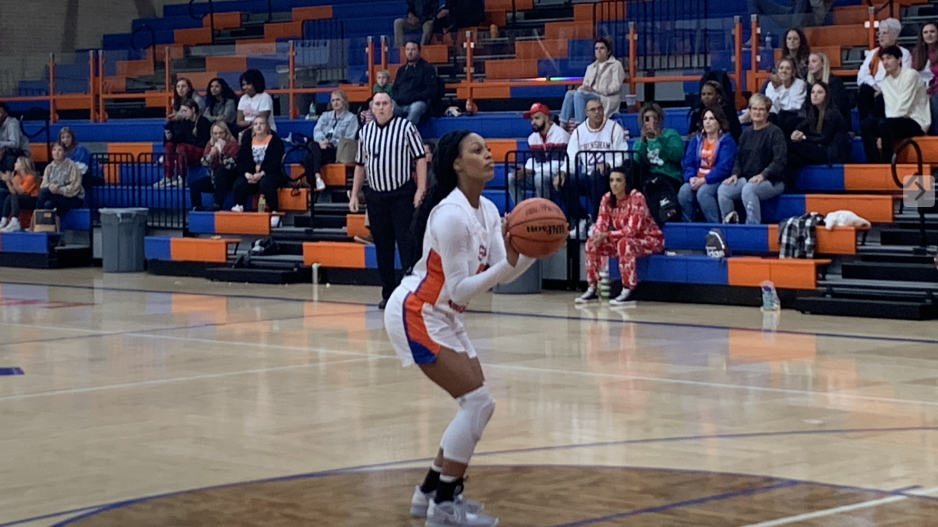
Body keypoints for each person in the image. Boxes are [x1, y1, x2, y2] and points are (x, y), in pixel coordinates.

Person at [384, 130, 536, 527]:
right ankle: (445, 505)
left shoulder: (487, 209)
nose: (488, 155)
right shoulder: (451, 216)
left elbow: (505, 273)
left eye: (488, 149)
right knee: (478, 403)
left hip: (445, 314)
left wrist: (532, 251)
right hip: (417, 311)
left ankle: (428, 494)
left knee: (478, 405)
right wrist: (509, 262)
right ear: (456, 164)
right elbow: (461, 288)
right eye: (477, 150)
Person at [349, 92, 428, 309]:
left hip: (402, 194)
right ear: (372, 108)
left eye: (385, 103)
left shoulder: (406, 127)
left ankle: (412, 292)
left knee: (406, 245)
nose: (381, 107)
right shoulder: (365, 132)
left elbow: (420, 158)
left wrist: (421, 188)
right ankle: (388, 293)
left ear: (392, 107)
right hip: (376, 196)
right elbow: (360, 165)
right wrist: (354, 194)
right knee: (382, 247)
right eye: (378, 104)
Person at [574, 167, 665, 305]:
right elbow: (601, 222)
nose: (614, 184)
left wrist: (607, 234)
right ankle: (593, 287)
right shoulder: (607, 198)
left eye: (618, 180)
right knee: (591, 243)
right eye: (611, 180)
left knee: (625, 243)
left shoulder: (637, 198)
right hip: (623, 239)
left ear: (626, 183)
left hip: (650, 240)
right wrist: (598, 235)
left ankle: (629, 289)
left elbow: (632, 230)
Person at [564, 98, 629, 237]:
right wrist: (563, 173)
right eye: (593, 110)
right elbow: (571, 158)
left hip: (609, 176)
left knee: (596, 176)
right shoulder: (578, 132)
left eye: (600, 108)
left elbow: (623, 155)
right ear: (586, 113)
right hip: (587, 175)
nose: (597, 112)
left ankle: (597, 221)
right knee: (566, 181)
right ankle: (582, 218)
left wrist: (609, 164)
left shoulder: (614, 128)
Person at [719, 94, 787, 225]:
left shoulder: (775, 132)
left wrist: (763, 175)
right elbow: (738, 158)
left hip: (773, 181)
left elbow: (780, 161)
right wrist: (735, 174)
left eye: (761, 109)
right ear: (749, 111)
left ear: (767, 113)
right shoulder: (746, 133)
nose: (757, 112)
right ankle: (729, 224)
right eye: (754, 109)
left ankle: (753, 226)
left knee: (748, 190)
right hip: (748, 178)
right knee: (724, 190)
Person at [860, 46, 931, 163]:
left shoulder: (911, 75)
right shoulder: (886, 82)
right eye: (883, 59)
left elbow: (903, 106)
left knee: (884, 124)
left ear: (899, 60)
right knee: (866, 125)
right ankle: (875, 163)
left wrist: (884, 128)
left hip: (915, 121)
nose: (885, 62)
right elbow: (890, 109)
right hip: (895, 121)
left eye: (888, 58)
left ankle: (887, 163)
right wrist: (883, 130)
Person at [679, 108, 737, 223]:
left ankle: (715, 225)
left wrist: (704, 180)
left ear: (719, 122)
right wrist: (691, 178)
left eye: (711, 119)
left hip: (717, 179)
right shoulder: (696, 141)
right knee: (684, 191)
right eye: (705, 119)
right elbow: (688, 163)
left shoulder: (727, 141)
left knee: (703, 193)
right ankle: (688, 225)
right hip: (697, 178)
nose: (707, 122)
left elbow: (724, 167)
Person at [508, 102, 569, 207]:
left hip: (560, 175)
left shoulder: (561, 135)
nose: (533, 122)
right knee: (511, 178)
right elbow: (536, 161)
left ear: (546, 118)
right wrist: (525, 170)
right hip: (541, 174)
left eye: (537, 118)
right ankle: (521, 210)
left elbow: (557, 165)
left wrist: (532, 171)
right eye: (532, 119)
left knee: (539, 178)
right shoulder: (532, 138)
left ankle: (544, 212)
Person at [233, 116, 288, 227]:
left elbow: (276, 163)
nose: (258, 126)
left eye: (261, 123)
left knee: (266, 183)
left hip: (273, 174)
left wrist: (262, 173)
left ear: (267, 126)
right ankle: (240, 206)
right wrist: (247, 174)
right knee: (239, 183)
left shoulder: (276, 142)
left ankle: (275, 212)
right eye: (256, 124)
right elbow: (241, 161)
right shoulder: (247, 141)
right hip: (253, 175)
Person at [559, 37, 626, 129]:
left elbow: (616, 87)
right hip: (590, 95)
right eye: (596, 48)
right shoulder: (591, 67)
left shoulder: (616, 65)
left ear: (608, 51)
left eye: (602, 48)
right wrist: (583, 89)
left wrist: (595, 90)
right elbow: (584, 86)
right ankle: (562, 125)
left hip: (605, 98)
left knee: (579, 95)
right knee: (570, 94)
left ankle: (580, 126)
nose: (599, 51)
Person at [788, 82, 850, 178]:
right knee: (791, 158)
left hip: (831, 153)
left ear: (826, 96)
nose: (815, 95)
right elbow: (801, 125)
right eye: (813, 92)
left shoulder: (831, 113)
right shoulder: (814, 111)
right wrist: (796, 132)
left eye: (819, 92)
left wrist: (803, 137)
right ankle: (785, 183)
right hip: (820, 148)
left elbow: (824, 139)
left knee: (791, 145)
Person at [857, 18, 911, 121]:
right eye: (879, 33)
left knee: (881, 99)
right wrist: (875, 86)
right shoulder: (873, 53)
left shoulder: (904, 53)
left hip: (893, 90)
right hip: (874, 87)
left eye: (885, 33)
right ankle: (864, 126)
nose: (880, 36)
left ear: (895, 35)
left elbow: (904, 76)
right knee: (864, 91)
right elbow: (862, 74)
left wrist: (884, 90)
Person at [305, 90, 359, 192]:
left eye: (338, 100)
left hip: (337, 150)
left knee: (309, 157)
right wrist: (322, 141)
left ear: (344, 101)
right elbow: (317, 130)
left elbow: (349, 139)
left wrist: (331, 143)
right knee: (312, 145)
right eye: (333, 100)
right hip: (321, 147)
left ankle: (314, 182)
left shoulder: (352, 118)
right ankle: (318, 178)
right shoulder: (325, 115)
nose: (335, 103)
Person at [156, 98, 212, 188]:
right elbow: (180, 138)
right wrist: (170, 138)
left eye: (185, 111)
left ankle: (182, 178)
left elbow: (203, 143)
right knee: (169, 145)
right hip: (186, 152)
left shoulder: (204, 122)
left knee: (181, 147)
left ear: (193, 109)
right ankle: (168, 176)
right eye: (182, 111)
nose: (183, 114)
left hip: (201, 153)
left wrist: (187, 143)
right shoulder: (184, 122)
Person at [633, 102, 683, 193]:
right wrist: (643, 142)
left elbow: (677, 156)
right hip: (650, 176)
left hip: (670, 176)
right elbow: (637, 161)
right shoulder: (639, 142)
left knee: (656, 184)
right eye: (647, 119)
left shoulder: (671, 135)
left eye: (654, 118)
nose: (651, 122)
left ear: (659, 120)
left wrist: (659, 139)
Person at [191, 122, 241, 211]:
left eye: (221, 133)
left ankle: (218, 204)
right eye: (215, 133)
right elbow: (204, 163)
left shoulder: (234, 145)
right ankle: (197, 207)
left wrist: (222, 153)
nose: (218, 136)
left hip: (230, 178)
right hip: (214, 178)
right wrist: (211, 155)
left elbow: (231, 165)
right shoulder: (210, 144)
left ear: (226, 133)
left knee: (220, 172)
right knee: (194, 185)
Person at [392, 41, 438, 126]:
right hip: (400, 104)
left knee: (416, 108)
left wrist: (413, 97)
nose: (410, 52)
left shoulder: (427, 68)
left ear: (419, 51)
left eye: (413, 49)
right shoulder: (401, 70)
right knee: (381, 105)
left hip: (418, 102)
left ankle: (405, 130)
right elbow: (394, 89)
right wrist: (398, 98)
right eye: (407, 49)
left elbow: (431, 91)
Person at [763, 58, 807, 136]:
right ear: (777, 71)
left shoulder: (799, 84)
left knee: (782, 115)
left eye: (788, 68)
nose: (784, 71)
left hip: (795, 116)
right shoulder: (771, 85)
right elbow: (772, 106)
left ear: (793, 72)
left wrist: (780, 88)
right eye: (781, 68)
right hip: (776, 117)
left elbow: (793, 107)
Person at [39, 142, 84, 216]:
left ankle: (38, 218)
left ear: (65, 152)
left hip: (72, 197)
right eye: (54, 150)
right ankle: (41, 219)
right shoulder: (49, 167)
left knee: (46, 196)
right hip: (54, 195)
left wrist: (60, 190)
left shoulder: (72, 166)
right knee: (47, 201)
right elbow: (43, 185)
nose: (56, 153)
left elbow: (75, 186)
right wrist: (50, 186)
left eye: (59, 150)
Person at [805, 51, 850, 123]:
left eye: (814, 61)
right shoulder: (810, 85)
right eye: (809, 62)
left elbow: (840, 106)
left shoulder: (835, 82)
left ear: (823, 64)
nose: (810, 64)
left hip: (833, 120)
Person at [0, 156, 40, 232]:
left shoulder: (30, 177)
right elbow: (14, 192)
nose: (15, 164)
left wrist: (12, 180)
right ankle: (4, 220)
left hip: (33, 200)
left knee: (15, 197)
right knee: (9, 197)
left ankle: (15, 221)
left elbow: (21, 191)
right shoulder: (17, 177)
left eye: (17, 162)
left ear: (23, 166)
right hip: (22, 199)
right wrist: (8, 181)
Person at [911, 22, 938, 134]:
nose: (929, 35)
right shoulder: (916, 53)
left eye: (932, 31)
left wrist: (931, 91)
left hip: (935, 91)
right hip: (920, 90)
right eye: (925, 32)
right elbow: (912, 74)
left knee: (934, 100)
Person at [0, 102, 30, 175]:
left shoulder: (12, 123)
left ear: (5, 113)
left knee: (8, 159)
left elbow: (15, 144)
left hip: (19, 153)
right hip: (4, 152)